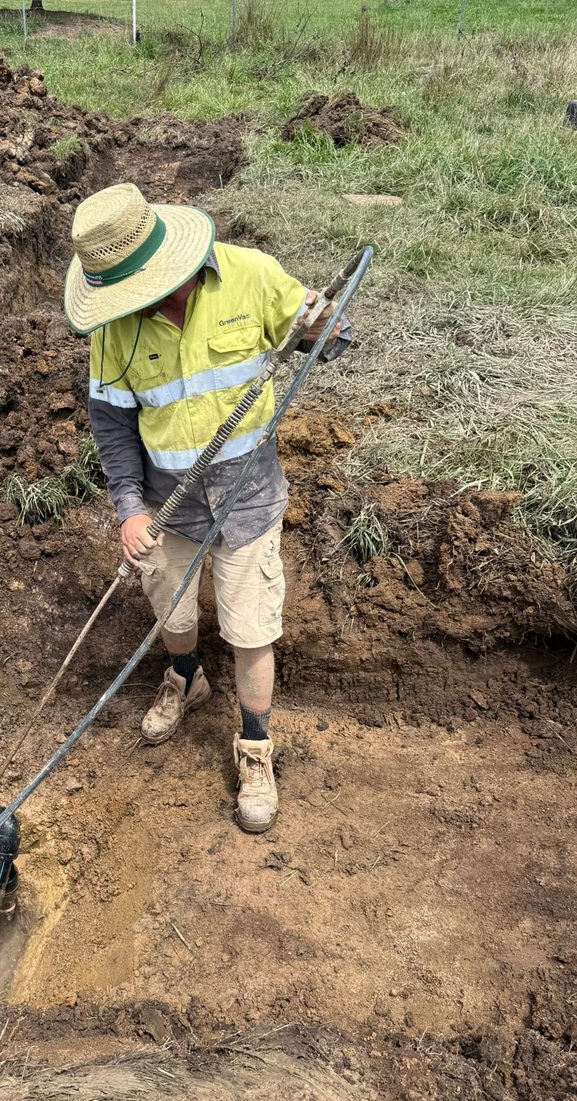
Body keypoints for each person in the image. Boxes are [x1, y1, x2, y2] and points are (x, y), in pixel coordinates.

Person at [64, 183, 352, 833]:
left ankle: (254, 748)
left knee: (251, 628)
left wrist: (323, 324)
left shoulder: (250, 275)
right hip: (169, 504)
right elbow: (110, 424)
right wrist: (130, 509)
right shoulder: (114, 327)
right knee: (171, 607)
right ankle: (186, 677)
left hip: (247, 495)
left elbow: (329, 337)